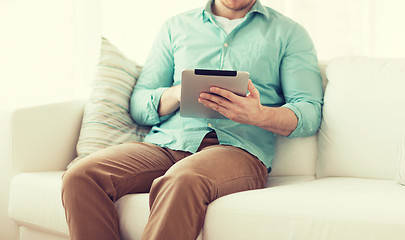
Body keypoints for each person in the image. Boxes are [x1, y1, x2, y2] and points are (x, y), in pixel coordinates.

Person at [61, 0, 323, 239]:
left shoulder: (289, 33)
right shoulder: (176, 27)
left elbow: (309, 111)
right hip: (167, 143)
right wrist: (175, 93)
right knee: (81, 175)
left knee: (182, 179)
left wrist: (259, 114)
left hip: (238, 150)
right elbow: (139, 104)